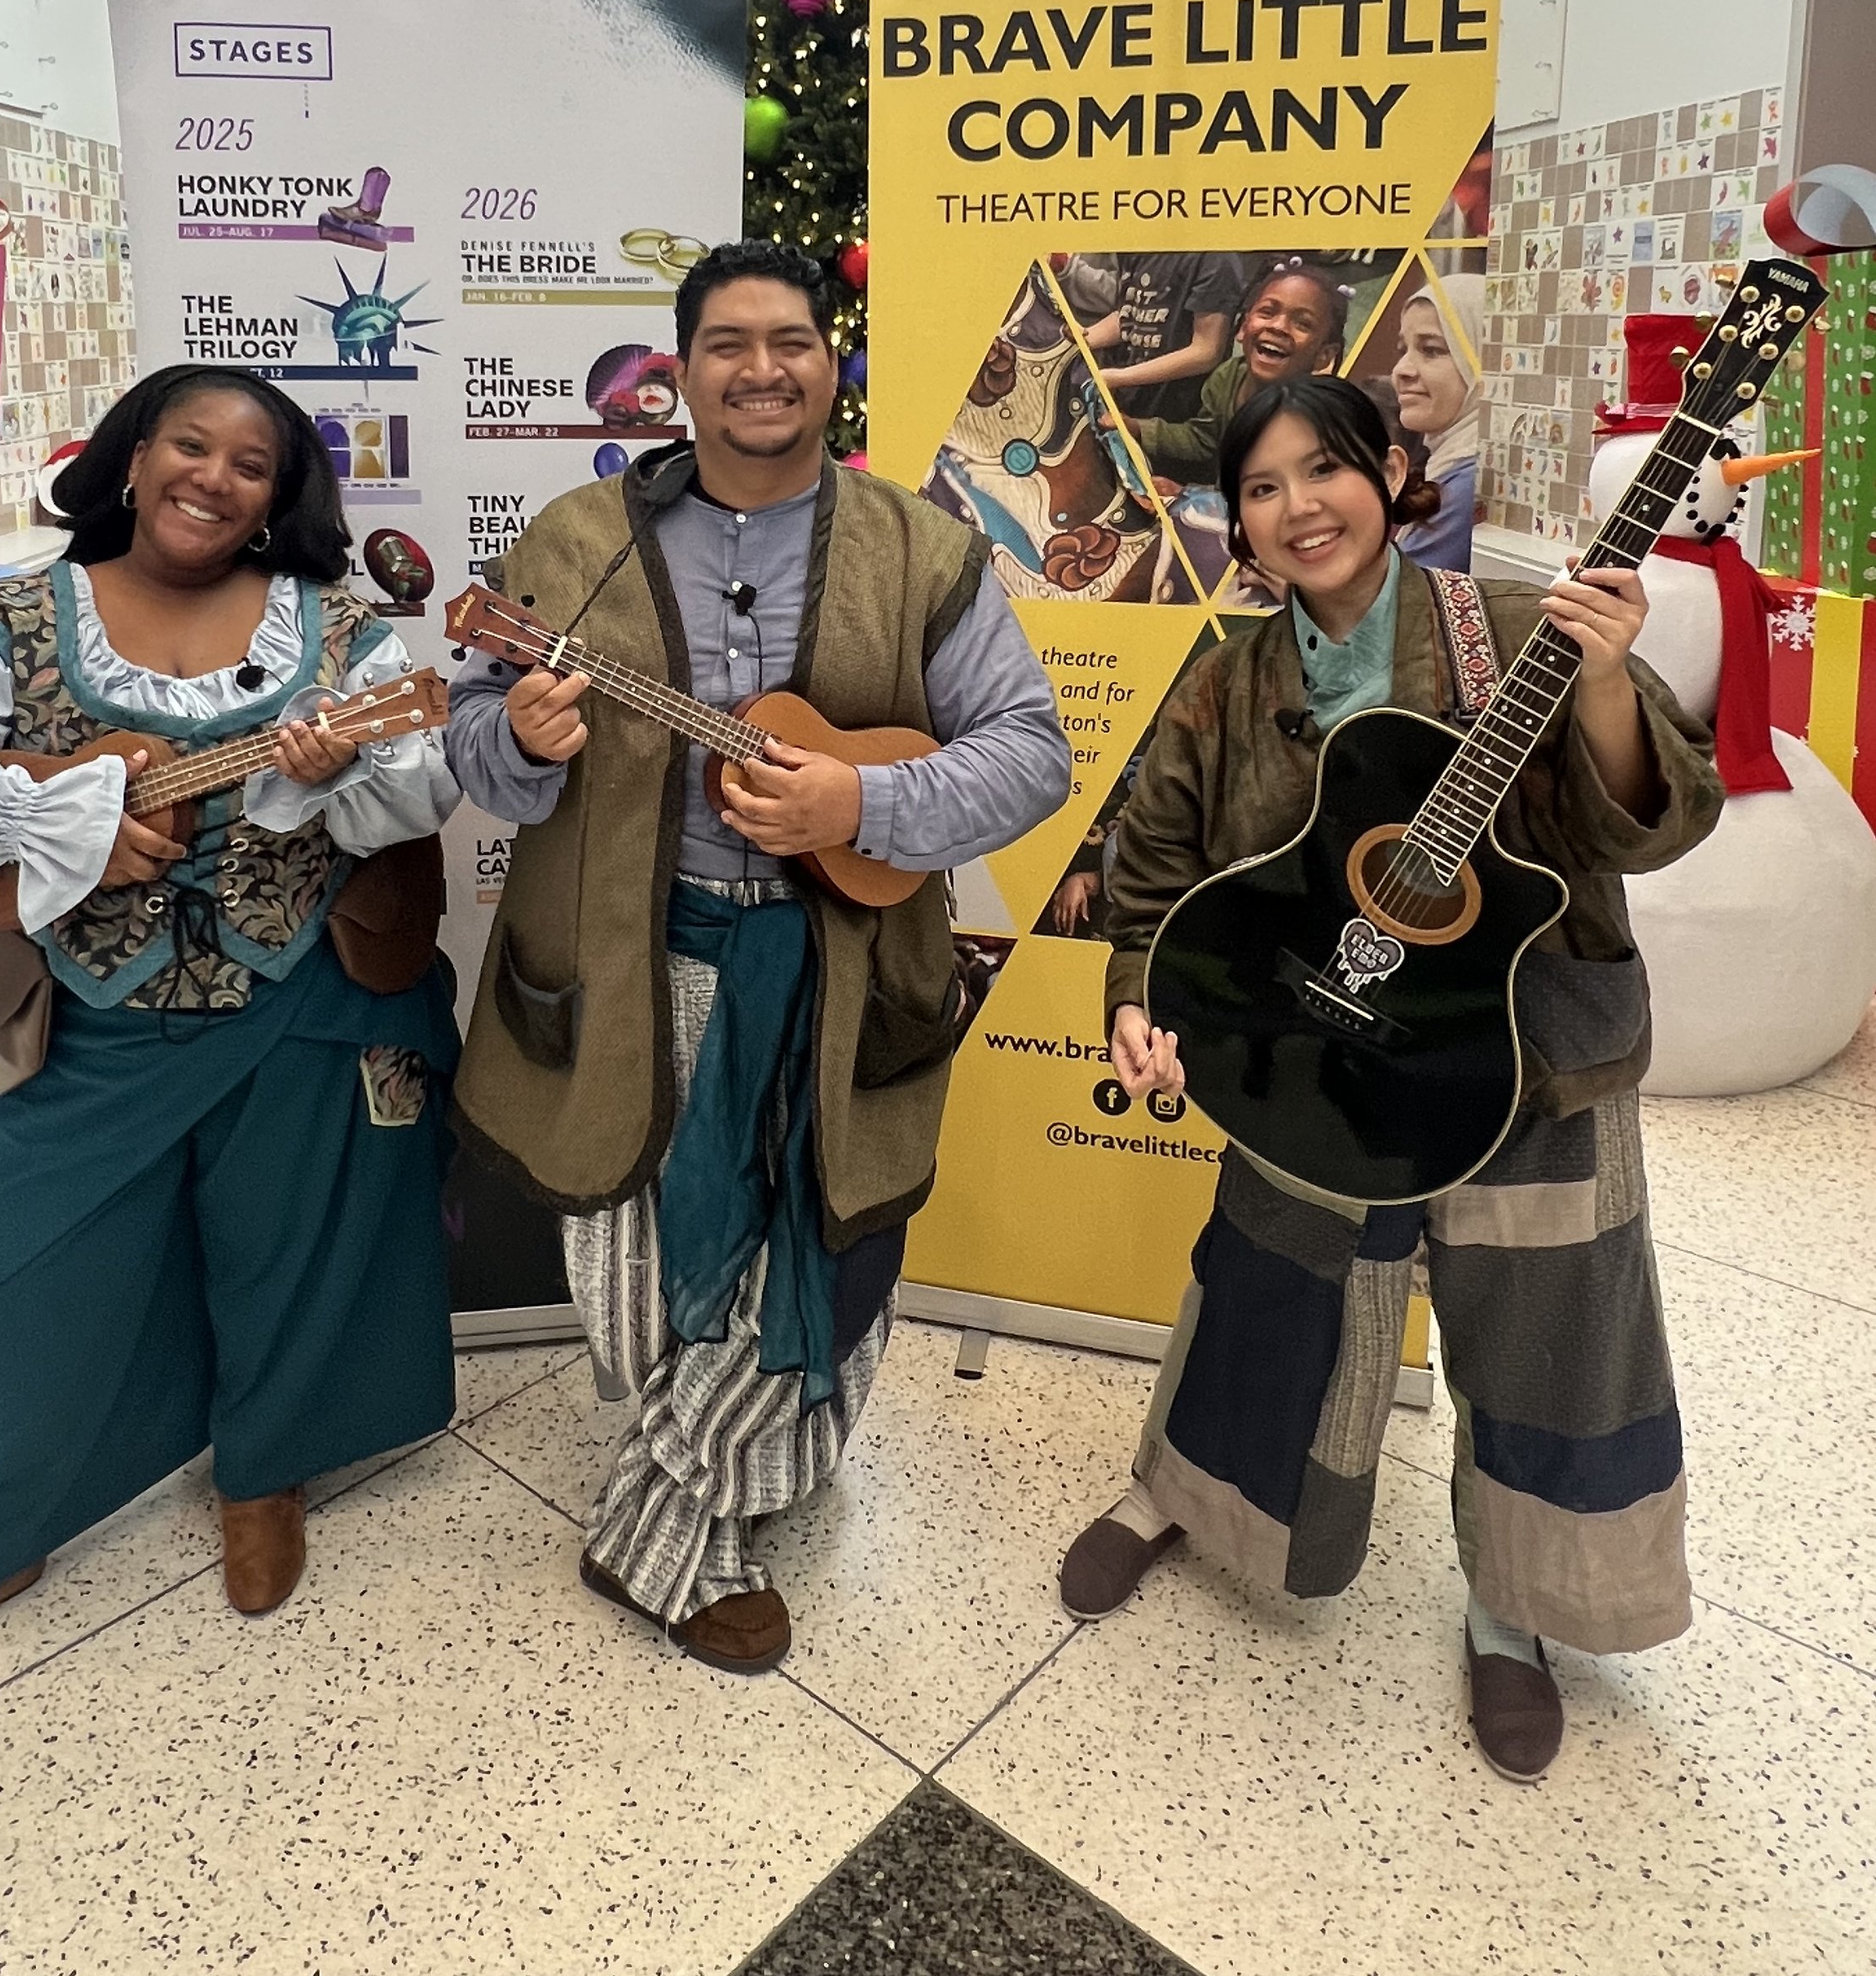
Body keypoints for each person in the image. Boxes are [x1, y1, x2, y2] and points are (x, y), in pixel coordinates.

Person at [1055, 375, 1722, 1783]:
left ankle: (1518, 1607)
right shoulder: (1230, 678)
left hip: (1525, 1056)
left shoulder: (1521, 630)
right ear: (1236, 517)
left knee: (1549, 1335)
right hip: (1317, 1048)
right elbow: (1152, 872)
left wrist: (1605, 681)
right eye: (1261, 486)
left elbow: (1655, 825)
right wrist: (1139, 1000)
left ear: (1394, 469)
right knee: (1269, 1293)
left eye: (1324, 470)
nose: (1299, 508)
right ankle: (1188, 1492)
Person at [447, 240, 1069, 1672]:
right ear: (682, 369)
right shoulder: (571, 541)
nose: (762, 368)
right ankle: (730, 1465)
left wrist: (864, 802)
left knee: (830, 1234)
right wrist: (518, 741)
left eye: (791, 339)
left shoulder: (922, 543)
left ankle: (669, 1517)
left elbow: (1030, 753)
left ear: (830, 356)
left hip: (842, 976)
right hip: (635, 965)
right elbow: (471, 736)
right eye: (728, 342)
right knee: (653, 1249)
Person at [0, 367, 462, 1693]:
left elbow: (412, 790)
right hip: (89, 1023)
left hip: (299, 996)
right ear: (132, 456)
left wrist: (336, 766)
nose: (214, 478)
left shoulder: (339, 636)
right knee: (29, 1279)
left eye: (253, 466)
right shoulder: (10, 620)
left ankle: (263, 1477)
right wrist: (49, 819)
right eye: (192, 445)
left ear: (278, 501)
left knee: (290, 1247)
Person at [1128, 260, 1349, 486]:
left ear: (1325, 354)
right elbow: (1203, 438)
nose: (1279, 326)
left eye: (1303, 324)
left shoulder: (1307, 424)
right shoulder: (1229, 376)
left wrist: (1190, 496)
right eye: (1267, 312)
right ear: (1243, 327)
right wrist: (1138, 428)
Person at [1389, 274, 1485, 570]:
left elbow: (1400, 605)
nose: (1401, 370)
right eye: (1403, 349)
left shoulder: (1468, 486)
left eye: (1431, 350)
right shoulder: (1449, 464)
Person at [1081, 250, 1243, 423]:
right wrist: (1077, 340)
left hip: (1179, 416)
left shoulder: (1214, 257)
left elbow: (1206, 352)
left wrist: (1120, 377)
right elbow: (1130, 316)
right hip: (1132, 403)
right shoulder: (1139, 248)